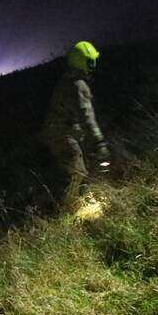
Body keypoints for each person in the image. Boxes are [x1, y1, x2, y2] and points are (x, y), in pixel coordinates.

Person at [40, 41, 110, 213]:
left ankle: (77, 199)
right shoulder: (77, 86)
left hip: (62, 131)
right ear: (83, 62)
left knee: (79, 168)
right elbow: (86, 118)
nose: (93, 64)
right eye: (91, 61)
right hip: (61, 134)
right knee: (77, 172)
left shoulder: (68, 81)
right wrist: (99, 143)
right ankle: (66, 210)